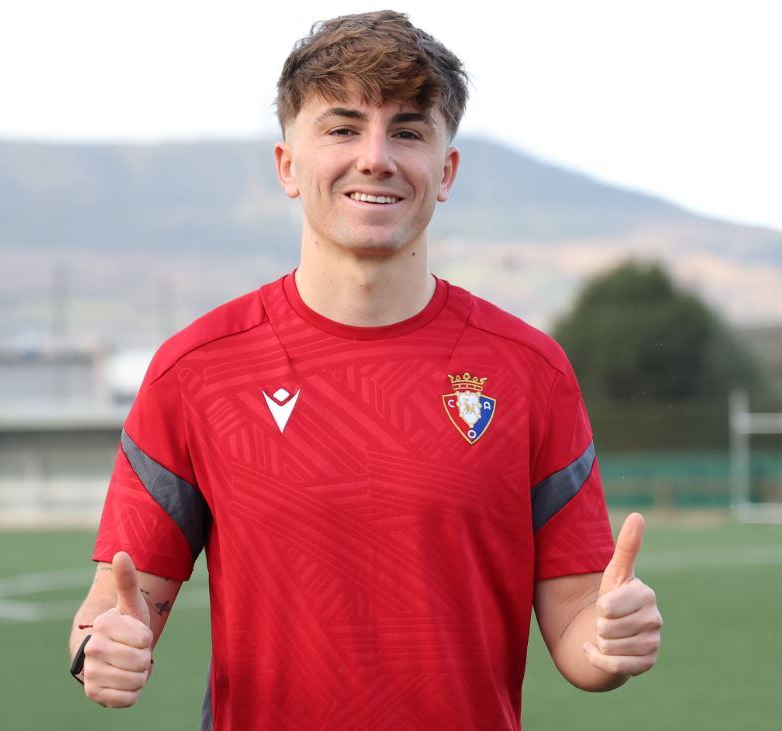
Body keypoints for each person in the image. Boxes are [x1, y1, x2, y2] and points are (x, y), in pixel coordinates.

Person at [69, 10, 662, 730]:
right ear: (288, 165)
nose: (376, 156)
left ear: (445, 171)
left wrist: (607, 638)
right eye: (343, 127)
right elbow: (115, 603)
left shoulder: (529, 370)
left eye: (408, 130)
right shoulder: (196, 370)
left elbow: (575, 621)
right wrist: (100, 648)